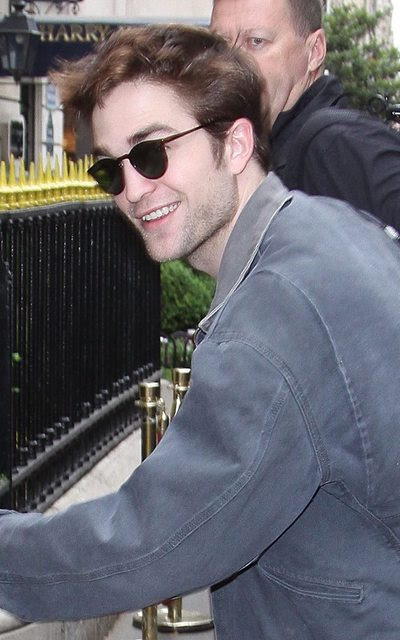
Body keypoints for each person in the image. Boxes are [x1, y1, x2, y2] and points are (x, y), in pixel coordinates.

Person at [1, 23, 400, 640]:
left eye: (151, 152)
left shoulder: (274, 317)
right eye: (111, 171)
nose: (134, 190)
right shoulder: (325, 230)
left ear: (235, 144)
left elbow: (150, 540)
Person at [211, 0, 400, 230]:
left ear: (315, 51)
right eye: (220, 45)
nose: (232, 64)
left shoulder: (336, 145)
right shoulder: (266, 151)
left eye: (256, 41)